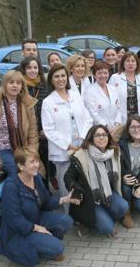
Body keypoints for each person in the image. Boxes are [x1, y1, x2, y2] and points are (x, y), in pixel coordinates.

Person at [0, 148, 76, 265]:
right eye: (32, 162)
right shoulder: (11, 186)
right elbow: (15, 220)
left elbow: (46, 201)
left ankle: (44, 242)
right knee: (58, 248)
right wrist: (37, 228)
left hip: (36, 218)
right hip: (18, 232)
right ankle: (35, 248)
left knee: (67, 221)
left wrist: (65, 199)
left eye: (37, 161)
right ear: (21, 166)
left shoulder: (36, 177)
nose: (36, 165)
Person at [42, 64, 93, 210]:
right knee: (67, 186)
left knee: (83, 182)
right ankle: (69, 216)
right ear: (51, 80)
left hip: (81, 147)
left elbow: (87, 118)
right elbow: (49, 130)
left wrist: (83, 138)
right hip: (63, 152)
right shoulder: (48, 102)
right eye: (56, 76)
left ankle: (83, 215)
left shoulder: (75, 95)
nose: (60, 79)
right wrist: (68, 145)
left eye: (63, 75)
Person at [64, 125, 128, 238]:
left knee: (123, 206)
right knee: (108, 228)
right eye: (97, 135)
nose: (102, 138)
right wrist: (74, 187)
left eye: (104, 134)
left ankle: (103, 215)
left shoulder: (113, 153)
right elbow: (68, 177)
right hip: (89, 198)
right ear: (91, 138)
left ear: (108, 137)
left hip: (107, 193)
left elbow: (119, 173)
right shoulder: (81, 155)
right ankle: (83, 223)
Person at [17, 56, 51, 185]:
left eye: (35, 67)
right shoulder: (20, 87)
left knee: (43, 165)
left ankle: (44, 190)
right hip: (28, 134)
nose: (33, 70)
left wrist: (44, 129)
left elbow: (47, 110)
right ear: (24, 69)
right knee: (30, 165)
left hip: (43, 133)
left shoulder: (44, 86)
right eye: (29, 68)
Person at [109, 52, 140, 126]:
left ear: (137, 63)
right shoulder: (115, 78)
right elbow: (111, 101)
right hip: (121, 121)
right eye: (127, 61)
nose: (130, 63)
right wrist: (115, 121)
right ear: (123, 63)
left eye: (133, 61)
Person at [83, 61, 122, 130]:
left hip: (115, 129)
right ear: (94, 75)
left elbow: (119, 108)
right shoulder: (89, 91)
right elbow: (93, 114)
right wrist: (106, 127)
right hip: (99, 129)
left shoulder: (113, 89)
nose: (103, 76)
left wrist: (117, 124)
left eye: (105, 73)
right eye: (99, 73)